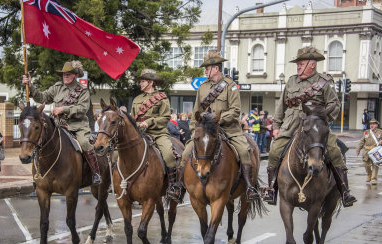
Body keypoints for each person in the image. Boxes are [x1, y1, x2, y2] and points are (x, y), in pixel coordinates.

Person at [263, 46, 356, 207]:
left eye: (301, 64)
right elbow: (281, 106)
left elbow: (335, 104)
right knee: (275, 151)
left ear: (312, 65)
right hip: (291, 125)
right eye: (297, 64)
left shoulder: (323, 83)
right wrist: (277, 125)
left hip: (315, 127)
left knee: (334, 151)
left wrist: (322, 120)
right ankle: (272, 189)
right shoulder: (292, 81)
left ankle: (344, 190)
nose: (298, 67)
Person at [178, 50, 260, 201]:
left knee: (244, 151)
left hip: (228, 129)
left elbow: (235, 111)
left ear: (216, 68)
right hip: (205, 131)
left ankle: (249, 187)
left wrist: (217, 120)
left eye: (207, 69)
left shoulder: (231, 86)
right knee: (185, 154)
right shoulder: (203, 87)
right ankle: (178, 187)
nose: (205, 71)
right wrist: (194, 130)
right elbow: (196, 111)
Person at [22, 60, 102, 185]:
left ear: (76, 75)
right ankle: (38, 175)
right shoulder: (57, 87)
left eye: (69, 74)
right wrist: (30, 85)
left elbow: (82, 109)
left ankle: (95, 173)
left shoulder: (82, 91)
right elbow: (42, 97)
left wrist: (63, 109)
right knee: (41, 141)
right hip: (58, 125)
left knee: (85, 143)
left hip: (77, 127)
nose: (65, 75)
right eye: (64, 73)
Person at [131, 68, 182, 202]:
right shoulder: (137, 99)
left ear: (151, 82)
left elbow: (165, 118)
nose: (140, 84)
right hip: (138, 134)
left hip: (158, 133)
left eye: (143, 81)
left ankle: (172, 186)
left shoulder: (162, 98)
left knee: (169, 155)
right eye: (140, 81)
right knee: (117, 153)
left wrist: (149, 122)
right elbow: (132, 118)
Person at [356, 118, 382, 185]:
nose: (371, 125)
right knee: (366, 164)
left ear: (376, 125)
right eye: (370, 124)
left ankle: (374, 179)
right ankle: (369, 175)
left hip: (375, 151)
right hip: (367, 151)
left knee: (375, 165)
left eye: (373, 124)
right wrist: (358, 149)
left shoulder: (380, 132)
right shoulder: (366, 132)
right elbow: (362, 141)